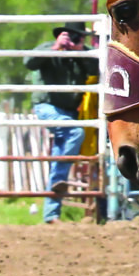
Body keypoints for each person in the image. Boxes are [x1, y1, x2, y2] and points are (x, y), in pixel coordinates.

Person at [25, 22, 96, 223]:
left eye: (78, 37)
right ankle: (61, 181)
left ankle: (51, 215)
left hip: (68, 111)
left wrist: (80, 52)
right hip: (47, 106)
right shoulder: (48, 48)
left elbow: (98, 70)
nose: (74, 40)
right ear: (61, 35)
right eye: (71, 36)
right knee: (75, 132)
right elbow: (29, 62)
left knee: (59, 157)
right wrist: (56, 48)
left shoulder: (84, 54)